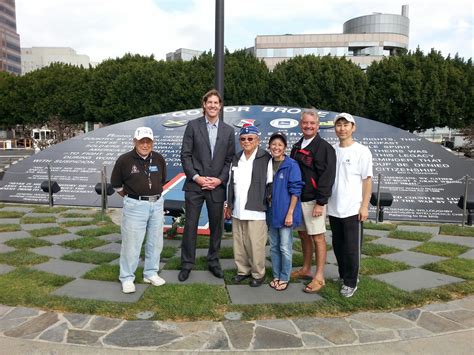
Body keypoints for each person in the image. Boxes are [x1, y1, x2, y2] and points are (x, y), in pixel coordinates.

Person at [179, 89, 235, 281]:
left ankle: (213, 261)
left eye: (216, 103)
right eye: (209, 102)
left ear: (220, 106)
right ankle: (187, 263)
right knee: (191, 225)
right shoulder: (193, 126)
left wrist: (219, 179)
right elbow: (185, 155)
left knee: (217, 227)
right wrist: (196, 177)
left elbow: (229, 160)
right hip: (195, 185)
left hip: (217, 187)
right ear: (204, 105)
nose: (212, 106)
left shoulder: (228, 131)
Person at [111, 126, 167, 294]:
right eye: (141, 141)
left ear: (152, 142)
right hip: (135, 205)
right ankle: (127, 277)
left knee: (155, 242)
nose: (145, 145)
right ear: (134, 141)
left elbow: (162, 179)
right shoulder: (124, 160)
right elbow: (117, 185)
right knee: (132, 243)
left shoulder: (158, 158)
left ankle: (151, 273)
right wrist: (134, 197)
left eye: (148, 141)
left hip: (156, 204)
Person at [290, 108, 336, 293]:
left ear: (317, 126)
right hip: (298, 200)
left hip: (314, 201)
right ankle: (306, 269)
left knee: (318, 237)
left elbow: (327, 176)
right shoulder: (296, 146)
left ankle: (319, 276)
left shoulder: (324, 148)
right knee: (303, 235)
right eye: (305, 123)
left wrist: (321, 202)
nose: (308, 126)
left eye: (312, 123)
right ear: (301, 124)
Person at [327, 113, 373, 298]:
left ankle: (351, 282)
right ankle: (343, 275)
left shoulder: (362, 151)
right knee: (338, 245)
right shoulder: (332, 150)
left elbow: (367, 181)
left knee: (352, 248)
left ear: (353, 127)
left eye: (346, 125)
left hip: (353, 208)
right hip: (334, 207)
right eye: (339, 125)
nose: (342, 128)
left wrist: (364, 206)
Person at [224, 125, 271, 287]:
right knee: (239, 243)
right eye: (243, 139)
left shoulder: (266, 158)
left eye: (250, 138)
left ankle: (258, 274)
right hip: (238, 209)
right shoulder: (236, 158)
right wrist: (228, 204)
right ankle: (242, 271)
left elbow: (270, 184)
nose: (246, 141)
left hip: (257, 210)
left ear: (258, 140)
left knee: (255, 244)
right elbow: (231, 183)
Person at [266, 132, 303, 291]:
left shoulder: (291, 165)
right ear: (269, 146)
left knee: (285, 247)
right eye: (273, 144)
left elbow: (296, 190)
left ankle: (284, 277)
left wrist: (290, 213)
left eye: (280, 145)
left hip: (285, 212)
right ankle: (276, 275)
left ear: (285, 147)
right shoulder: (267, 164)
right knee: (274, 247)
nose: (276, 147)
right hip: (271, 212)